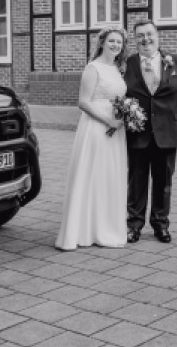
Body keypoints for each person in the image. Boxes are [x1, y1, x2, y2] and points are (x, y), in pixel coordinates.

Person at [55, 26, 129, 251]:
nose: (115, 45)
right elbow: (83, 102)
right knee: (94, 174)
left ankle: (104, 227)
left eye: (119, 42)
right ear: (102, 42)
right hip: (97, 127)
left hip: (116, 129)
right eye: (112, 41)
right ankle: (85, 230)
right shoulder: (93, 68)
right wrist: (108, 121)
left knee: (109, 176)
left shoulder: (117, 68)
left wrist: (125, 114)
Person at [124, 19, 177, 243]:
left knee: (163, 181)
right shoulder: (127, 64)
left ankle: (160, 224)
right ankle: (134, 225)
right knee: (136, 181)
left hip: (168, 130)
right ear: (135, 39)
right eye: (140, 36)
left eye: (149, 34)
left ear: (157, 35)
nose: (145, 39)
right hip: (138, 131)